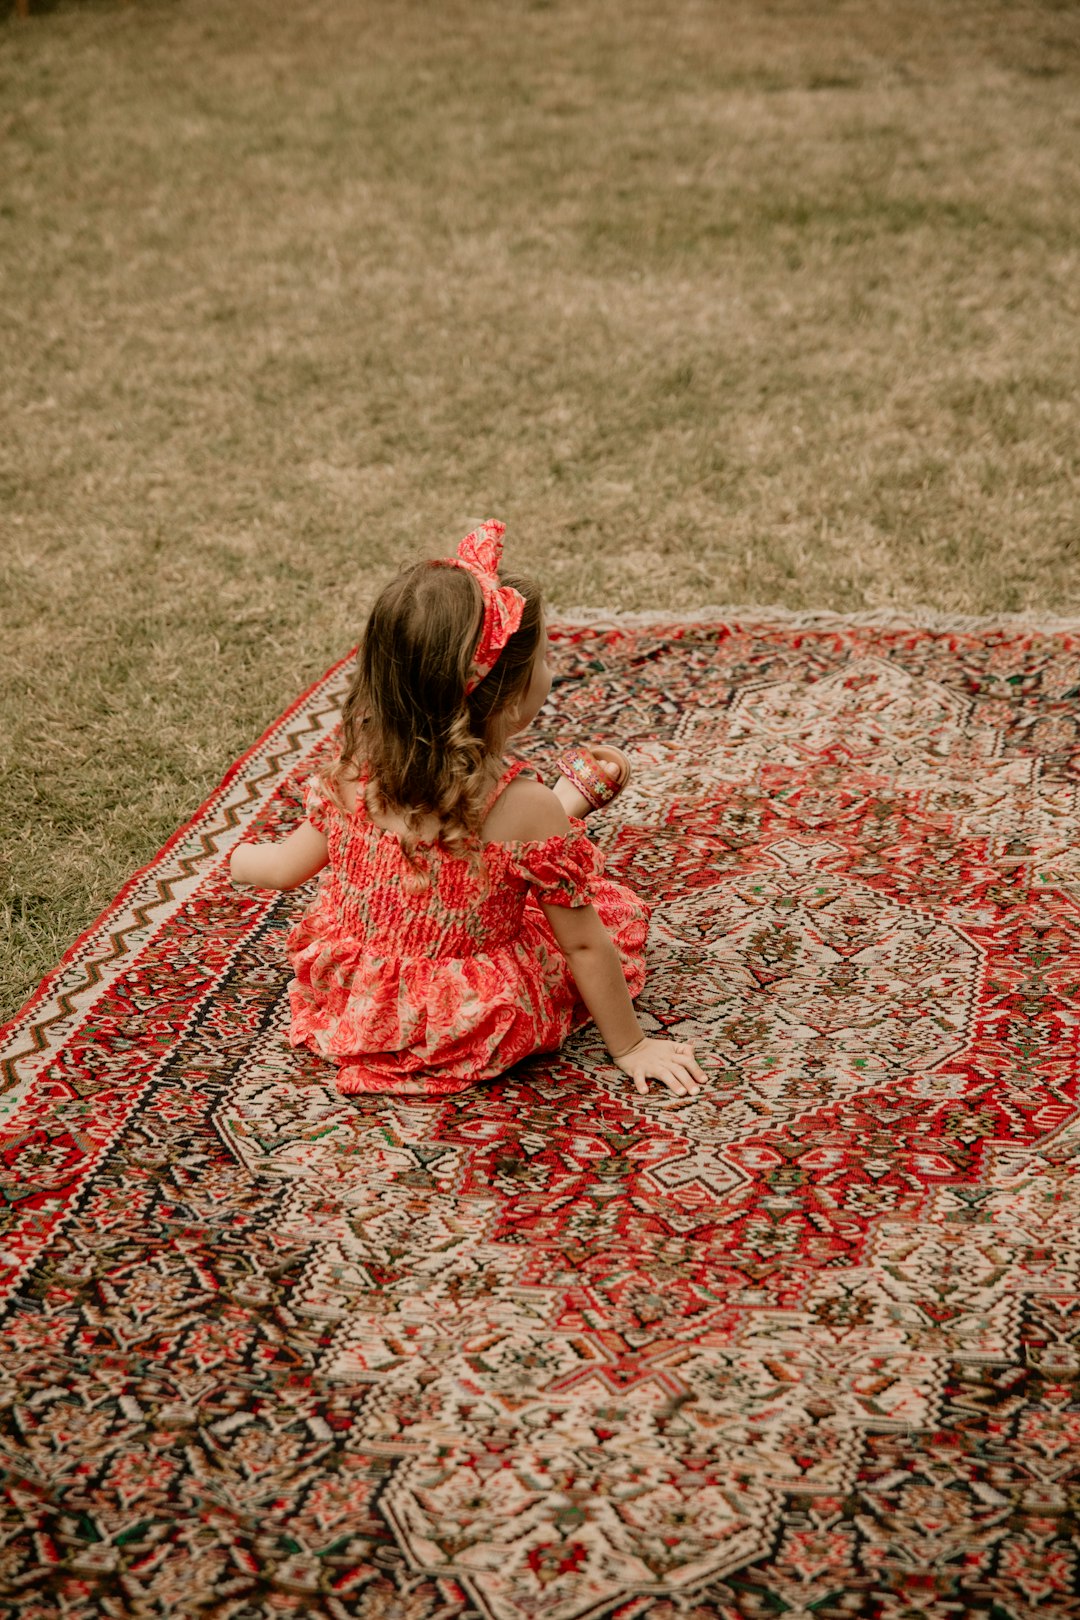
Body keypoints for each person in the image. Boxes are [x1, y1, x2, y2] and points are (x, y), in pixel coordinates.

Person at [230, 521, 704, 1100]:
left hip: (363, 1000)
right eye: (545, 662)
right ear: (507, 695)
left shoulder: (355, 770)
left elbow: (282, 868)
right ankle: (567, 807)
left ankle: (568, 803)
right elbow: (583, 944)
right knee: (555, 859)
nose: (550, 672)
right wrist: (631, 1046)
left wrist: (238, 859)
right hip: (469, 1013)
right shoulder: (521, 807)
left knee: (514, 834)